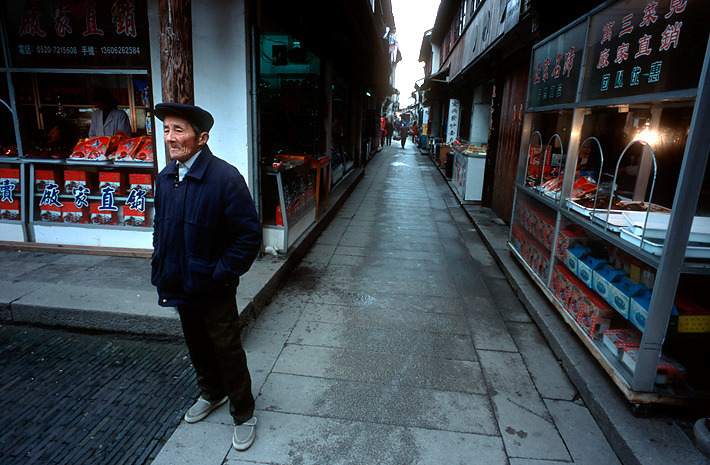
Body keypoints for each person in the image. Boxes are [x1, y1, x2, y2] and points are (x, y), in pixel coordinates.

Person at [151, 103, 263, 452]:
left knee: (226, 348)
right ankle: (212, 393)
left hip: (213, 286)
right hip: (179, 281)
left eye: (178, 130)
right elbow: (160, 228)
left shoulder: (225, 177)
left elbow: (248, 236)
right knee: (196, 343)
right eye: (166, 130)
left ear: (202, 138)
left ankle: (244, 413)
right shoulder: (166, 177)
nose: (170, 138)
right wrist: (160, 261)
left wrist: (220, 274)